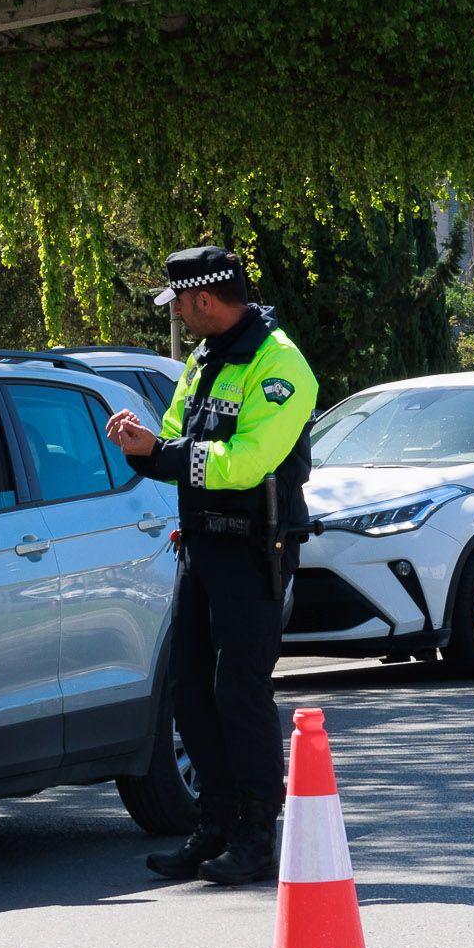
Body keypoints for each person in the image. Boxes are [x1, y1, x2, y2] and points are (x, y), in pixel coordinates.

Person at [103, 246, 319, 886]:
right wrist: (142, 447)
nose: (177, 316)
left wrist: (164, 454)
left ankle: (257, 833)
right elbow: (176, 433)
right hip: (200, 545)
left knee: (240, 692)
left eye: (180, 304)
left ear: (204, 299)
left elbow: (246, 463)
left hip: (254, 549)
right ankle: (216, 823)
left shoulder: (280, 363)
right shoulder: (204, 359)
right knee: (190, 689)